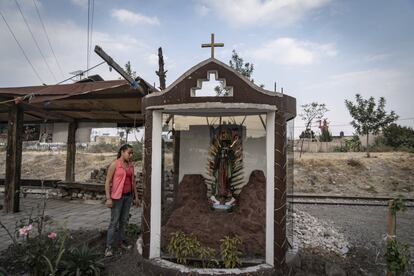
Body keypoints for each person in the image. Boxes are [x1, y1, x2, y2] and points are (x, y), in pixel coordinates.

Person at [104, 144, 140, 257]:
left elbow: (133, 182)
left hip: (128, 197)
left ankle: (121, 242)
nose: (131, 155)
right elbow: (107, 182)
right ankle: (108, 247)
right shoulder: (114, 165)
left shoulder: (131, 166)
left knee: (124, 221)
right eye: (129, 153)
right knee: (114, 222)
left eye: (132, 153)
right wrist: (108, 198)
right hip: (117, 198)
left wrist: (136, 197)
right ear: (122, 152)